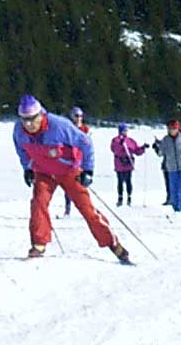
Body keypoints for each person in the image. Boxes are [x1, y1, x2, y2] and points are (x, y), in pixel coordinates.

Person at [12, 94, 130, 263]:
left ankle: (113, 244)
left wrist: (88, 170)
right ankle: (39, 244)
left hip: (69, 171)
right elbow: (21, 149)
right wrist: (27, 168)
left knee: (86, 209)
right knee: (38, 203)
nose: (28, 124)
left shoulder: (59, 126)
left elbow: (85, 143)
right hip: (43, 172)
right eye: (24, 119)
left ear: (40, 115)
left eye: (32, 119)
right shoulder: (18, 130)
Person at [154, 119, 181, 216]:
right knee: (174, 189)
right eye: (170, 128)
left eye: (174, 128)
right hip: (172, 168)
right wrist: (156, 147)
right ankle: (176, 209)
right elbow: (161, 153)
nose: (172, 130)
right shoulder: (166, 140)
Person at [110, 123, 149, 206]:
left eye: (126, 131)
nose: (125, 132)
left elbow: (136, 150)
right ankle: (120, 198)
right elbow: (114, 149)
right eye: (124, 130)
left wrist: (143, 148)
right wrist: (120, 144)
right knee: (120, 181)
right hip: (120, 164)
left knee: (128, 181)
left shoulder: (130, 140)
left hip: (128, 164)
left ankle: (129, 197)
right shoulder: (115, 140)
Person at [63, 106, 90, 216]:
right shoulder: (67, 129)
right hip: (70, 161)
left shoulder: (85, 130)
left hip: (81, 161)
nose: (79, 118)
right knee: (68, 186)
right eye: (76, 116)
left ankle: (85, 210)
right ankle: (68, 209)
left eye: (80, 116)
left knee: (82, 186)